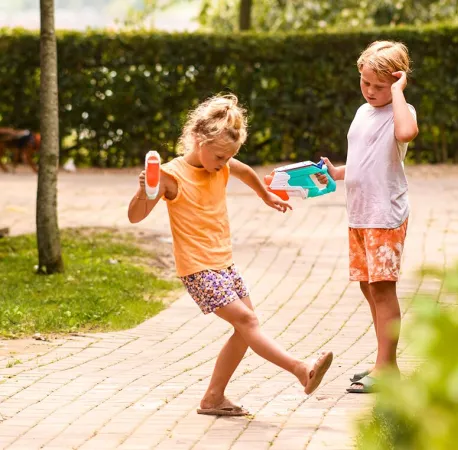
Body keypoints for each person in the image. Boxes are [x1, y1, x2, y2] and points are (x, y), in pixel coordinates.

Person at [128, 93, 333, 415]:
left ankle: (213, 398)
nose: (224, 164)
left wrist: (265, 195)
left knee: (244, 330)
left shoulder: (222, 164)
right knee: (249, 320)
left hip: (223, 263)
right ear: (198, 139)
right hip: (197, 268)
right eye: (220, 156)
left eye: (228, 157)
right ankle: (300, 370)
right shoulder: (170, 175)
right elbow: (135, 216)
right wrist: (145, 191)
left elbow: (245, 170)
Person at [318, 41, 418, 393]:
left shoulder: (401, 112)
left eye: (380, 85)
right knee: (368, 287)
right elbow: (364, 160)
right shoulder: (363, 112)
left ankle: (387, 368)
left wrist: (398, 92)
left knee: (382, 290)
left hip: (384, 216)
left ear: (394, 81)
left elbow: (406, 134)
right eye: (366, 83)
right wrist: (337, 171)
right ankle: (383, 363)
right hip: (359, 215)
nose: (372, 92)